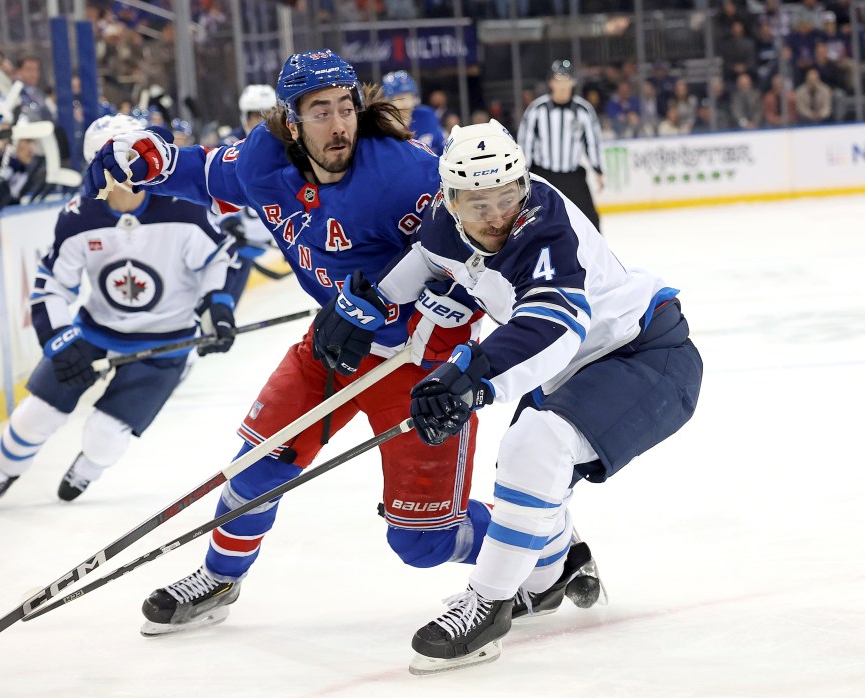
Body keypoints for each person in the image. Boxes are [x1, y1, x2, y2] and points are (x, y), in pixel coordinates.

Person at [82, 49, 490, 636]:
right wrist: (155, 159)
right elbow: (201, 172)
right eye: (320, 111)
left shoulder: (403, 173)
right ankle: (221, 577)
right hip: (334, 349)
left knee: (423, 543)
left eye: (346, 107)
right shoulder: (264, 159)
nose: (339, 124)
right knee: (254, 466)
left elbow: (478, 248)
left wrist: (426, 300)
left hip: (419, 362)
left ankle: (546, 545)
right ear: (292, 123)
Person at [374, 121, 702, 674]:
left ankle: (490, 603)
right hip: (577, 369)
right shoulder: (445, 223)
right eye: (479, 204)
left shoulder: (545, 224)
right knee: (521, 468)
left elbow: (553, 324)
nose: (498, 215)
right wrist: (373, 302)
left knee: (535, 444)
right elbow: (433, 257)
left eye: (508, 196)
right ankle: (554, 574)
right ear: (450, 200)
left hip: (643, 354)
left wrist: (467, 374)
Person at [0, 114, 239, 508]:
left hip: (168, 337)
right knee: (36, 413)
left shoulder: (184, 208)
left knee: (105, 435)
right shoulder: (78, 216)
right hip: (96, 328)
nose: (124, 175)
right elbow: (50, 286)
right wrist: (60, 339)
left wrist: (217, 309)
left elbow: (217, 262)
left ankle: (88, 468)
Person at [517, 60, 605, 231]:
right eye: (558, 80)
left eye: (566, 79)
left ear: (573, 82)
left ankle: (593, 257)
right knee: (534, 221)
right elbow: (525, 142)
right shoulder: (537, 110)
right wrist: (523, 173)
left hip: (572, 176)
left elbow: (592, 142)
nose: (563, 85)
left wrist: (598, 170)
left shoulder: (583, 110)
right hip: (544, 175)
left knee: (590, 223)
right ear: (551, 83)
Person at [217, 84, 279, 303]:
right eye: (256, 116)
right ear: (245, 117)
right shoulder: (228, 150)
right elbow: (213, 193)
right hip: (233, 245)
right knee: (220, 304)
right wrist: (229, 223)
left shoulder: (287, 145)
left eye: (268, 114)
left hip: (260, 242)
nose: (262, 122)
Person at [381, 70, 444, 153]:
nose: (406, 104)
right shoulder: (379, 126)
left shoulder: (426, 115)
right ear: (387, 102)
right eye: (400, 99)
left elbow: (442, 148)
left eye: (409, 97)